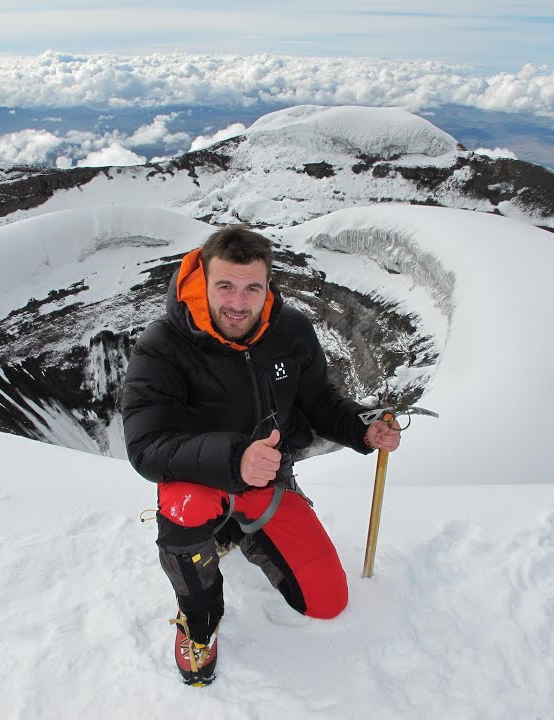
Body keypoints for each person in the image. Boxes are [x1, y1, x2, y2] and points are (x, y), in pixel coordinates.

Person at [121, 225, 403, 686]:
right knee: (187, 508)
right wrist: (235, 460)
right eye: (225, 286)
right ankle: (198, 621)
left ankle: (234, 529)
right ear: (203, 281)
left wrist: (362, 428)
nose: (238, 302)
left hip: (267, 481)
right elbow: (146, 445)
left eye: (253, 287)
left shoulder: (290, 331)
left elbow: (319, 402)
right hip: (197, 480)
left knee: (327, 602)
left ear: (268, 284)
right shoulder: (165, 343)